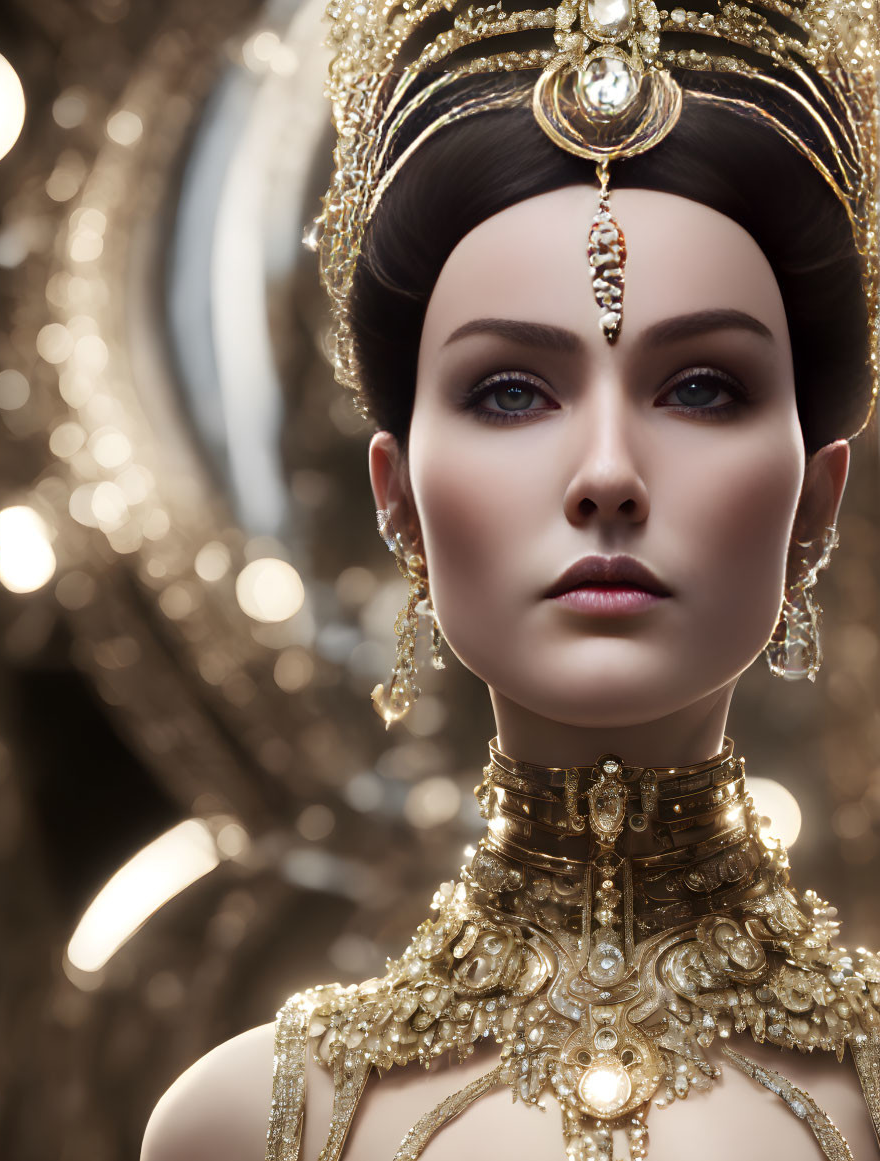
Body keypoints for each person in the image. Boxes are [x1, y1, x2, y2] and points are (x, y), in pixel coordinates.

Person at [140, 0, 880, 1155]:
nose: (606, 476)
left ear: (817, 498)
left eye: (700, 389)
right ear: (399, 500)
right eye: (510, 394)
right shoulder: (254, 1124)